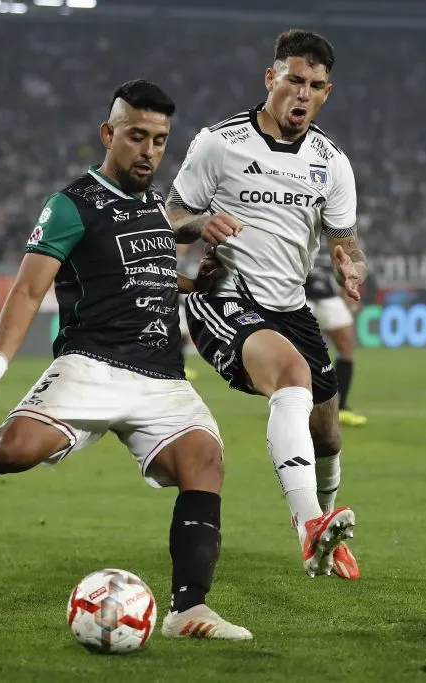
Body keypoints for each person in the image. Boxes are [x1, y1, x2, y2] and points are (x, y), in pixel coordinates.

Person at [0, 80, 252, 641]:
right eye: (136, 136)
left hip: (160, 374)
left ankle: (189, 608)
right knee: (13, 450)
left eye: (159, 139)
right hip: (91, 364)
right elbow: (29, 291)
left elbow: (145, 276)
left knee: (205, 462)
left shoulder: (156, 206)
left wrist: (194, 275)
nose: (149, 150)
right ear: (109, 134)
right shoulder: (71, 206)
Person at [165, 29, 366, 580]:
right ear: (271, 78)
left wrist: (351, 264)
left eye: (316, 86)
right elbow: (168, 216)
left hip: (291, 307)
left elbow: (347, 243)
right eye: (295, 80)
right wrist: (200, 223)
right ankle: (309, 528)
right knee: (292, 374)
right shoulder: (219, 143)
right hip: (224, 298)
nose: (303, 94)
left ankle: (323, 526)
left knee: (326, 433)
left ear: (327, 93)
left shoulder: (333, 163)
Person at [304, 243, 367, 427]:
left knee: (347, 345)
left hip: (329, 296)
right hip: (300, 294)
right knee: (299, 351)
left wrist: (347, 291)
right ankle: (301, 406)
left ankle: (341, 406)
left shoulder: (335, 228)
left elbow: (346, 261)